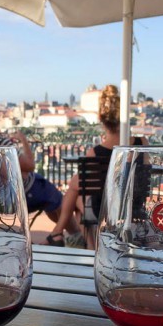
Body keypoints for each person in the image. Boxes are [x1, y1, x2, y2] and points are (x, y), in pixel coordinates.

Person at [43, 84, 146, 249]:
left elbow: (82, 185)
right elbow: (144, 174)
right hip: (134, 208)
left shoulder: (95, 152)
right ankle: (79, 240)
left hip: (104, 212)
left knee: (77, 196)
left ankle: (87, 246)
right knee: (79, 194)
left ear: (101, 119)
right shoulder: (142, 144)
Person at [0, 96, 77, 233]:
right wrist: (23, 140)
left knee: (48, 197)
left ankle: (62, 234)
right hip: (18, 196)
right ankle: (75, 235)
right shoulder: (1, 145)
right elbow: (30, 165)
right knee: (57, 199)